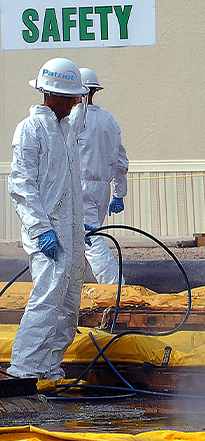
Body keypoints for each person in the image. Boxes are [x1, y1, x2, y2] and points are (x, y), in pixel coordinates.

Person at [7, 57, 88, 383]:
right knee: (46, 302)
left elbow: (70, 187)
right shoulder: (30, 130)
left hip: (69, 234)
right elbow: (22, 185)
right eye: (70, 98)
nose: (74, 104)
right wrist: (41, 230)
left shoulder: (65, 131)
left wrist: (82, 226)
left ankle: (50, 369)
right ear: (51, 95)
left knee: (68, 304)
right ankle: (24, 371)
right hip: (49, 235)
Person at [71, 67, 129, 285]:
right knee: (85, 239)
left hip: (79, 188)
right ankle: (78, 285)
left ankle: (116, 288)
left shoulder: (74, 119)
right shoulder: (109, 121)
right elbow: (121, 162)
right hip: (102, 190)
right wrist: (119, 194)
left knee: (90, 241)